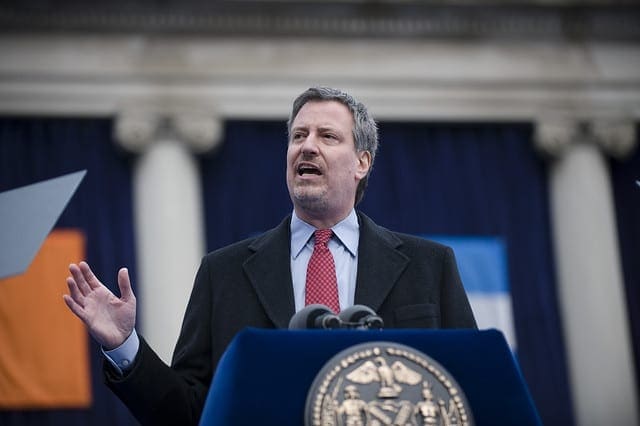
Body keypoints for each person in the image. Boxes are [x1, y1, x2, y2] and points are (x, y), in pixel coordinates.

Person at [63, 86, 476, 426]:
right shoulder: (223, 273)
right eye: (298, 136)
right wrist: (125, 346)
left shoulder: (429, 266)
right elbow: (187, 413)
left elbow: (467, 389)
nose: (307, 147)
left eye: (327, 137)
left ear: (362, 163)